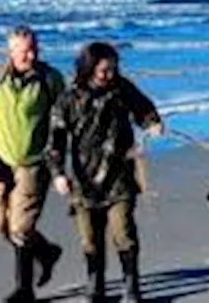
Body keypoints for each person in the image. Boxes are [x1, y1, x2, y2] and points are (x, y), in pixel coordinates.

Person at [49, 41, 164, 303]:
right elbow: (55, 139)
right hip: (83, 181)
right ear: (89, 68)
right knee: (90, 239)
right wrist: (57, 173)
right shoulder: (69, 98)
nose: (110, 75)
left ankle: (131, 287)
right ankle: (95, 285)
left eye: (113, 69)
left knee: (123, 233)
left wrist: (152, 123)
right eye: (104, 70)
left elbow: (144, 109)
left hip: (119, 177)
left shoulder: (122, 89)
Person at [0, 24, 67, 303]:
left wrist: (58, 163)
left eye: (35, 49)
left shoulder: (50, 79)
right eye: (25, 51)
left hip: (35, 163)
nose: (31, 56)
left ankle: (24, 289)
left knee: (21, 228)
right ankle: (47, 252)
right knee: (0, 225)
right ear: (10, 52)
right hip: (1, 161)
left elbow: (62, 123)